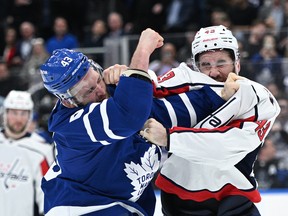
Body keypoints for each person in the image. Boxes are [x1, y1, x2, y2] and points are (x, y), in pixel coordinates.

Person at [141, 25, 280, 215]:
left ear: (236, 64)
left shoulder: (259, 99)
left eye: (221, 63)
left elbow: (225, 147)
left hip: (234, 199)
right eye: (206, 65)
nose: (214, 72)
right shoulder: (184, 80)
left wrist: (169, 138)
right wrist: (123, 75)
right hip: (179, 200)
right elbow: (145, 87)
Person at [39, 28, 165, 216]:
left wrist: (127, 79)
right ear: (67, 101)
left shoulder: (110, 94)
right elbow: (129, 116)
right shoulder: (70, 128)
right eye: (88, 91)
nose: (99, 90)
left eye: (98, 79)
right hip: (79, 207)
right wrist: (142, 53)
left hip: (123, 206)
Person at [0, 90, 55, 216]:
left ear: (30, 116)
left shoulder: (41, 151)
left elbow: (47, 198)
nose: (19, 118)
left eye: (23, 113)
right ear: (6, 113)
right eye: (14, 112)